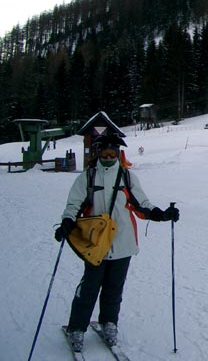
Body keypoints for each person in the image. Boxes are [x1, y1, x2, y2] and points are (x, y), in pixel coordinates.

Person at [54, 134, 179, 352]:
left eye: (113, 153)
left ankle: (108, 323)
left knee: (114, 288)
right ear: (98, 153)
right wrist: (67, 222)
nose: (109, 156)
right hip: (95, 244)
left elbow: (142, 204)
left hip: (123, 242)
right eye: (105, 152)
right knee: (90, 287)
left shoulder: (127, 177)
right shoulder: (88, 177)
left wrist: (161, 215)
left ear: (119, 154)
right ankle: (77, 327)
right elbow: (73, 204)